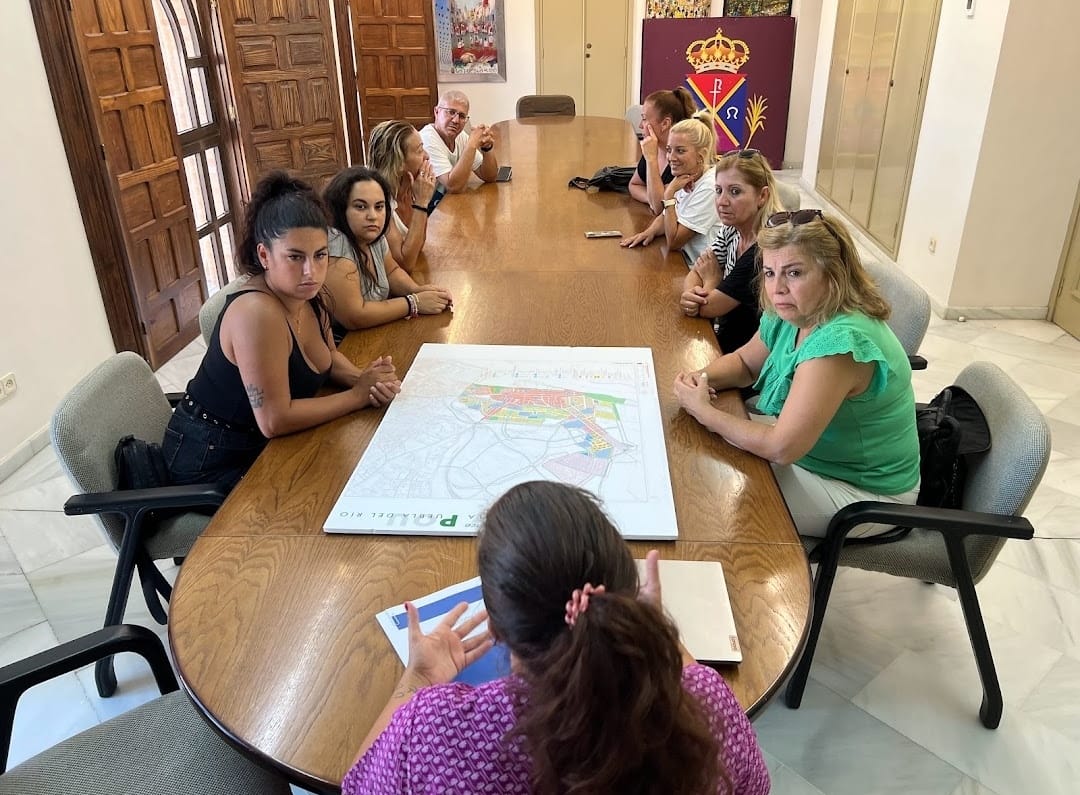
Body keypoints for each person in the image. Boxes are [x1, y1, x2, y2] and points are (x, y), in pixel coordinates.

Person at [343, 481, 770, 794]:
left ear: (496, 628)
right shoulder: (704, 704)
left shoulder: (432, 732)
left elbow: (357, 785)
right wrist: (651, 636)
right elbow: (753, 787)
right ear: (625, 602)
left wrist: (418, 678)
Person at [673, 210, 921, 538]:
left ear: (832, 274)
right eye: (769, 272)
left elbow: (781, 447)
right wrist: (699, 378)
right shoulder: (794, 309)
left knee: (716, 499)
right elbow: (745, 364)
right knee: (697, 455)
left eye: (794, 272)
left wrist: (705, 412)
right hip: (813, 456)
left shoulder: (840, 344)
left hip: (863, 493)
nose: (777, 288)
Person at [162, 172, 401, 492]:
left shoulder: (308, 295)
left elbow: (329, 358)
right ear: (264, 255)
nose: (311, 271)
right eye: (295, 257)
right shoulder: (256, 313)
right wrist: (356, 397)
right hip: (211, 459)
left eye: (320, 255)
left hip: (263, 447)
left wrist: (367, 381)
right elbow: (274, 420)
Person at [322, 166, 453, 341]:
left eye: (379, 207)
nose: (372, 216)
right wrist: (414, 303)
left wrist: (417, 290)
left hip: (375, 335)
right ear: (340, 209)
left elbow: (392, 272)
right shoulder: (336, 246)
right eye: (360, 207)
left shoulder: (373, 235)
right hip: (345, 345)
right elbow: (355, 316)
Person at [680, 148, 784, 354]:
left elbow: (709, 308)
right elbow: (697, 271)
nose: (722, 201)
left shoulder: (765, 248)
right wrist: (689, 294)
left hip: (749, 355)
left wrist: (711, 280)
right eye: (719, 190)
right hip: (728, 339)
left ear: (762, 196)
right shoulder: (732, 229)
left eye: (735, 192)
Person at [620, 114, 720, 267]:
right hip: (683, 262)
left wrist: (669, 194)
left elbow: (674, 241)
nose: (671, 157)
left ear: (702, 155)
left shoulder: (710, 187)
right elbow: (665, 216)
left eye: (680, 151)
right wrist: (648, 232)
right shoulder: (687, 174)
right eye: (669, 149)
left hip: (698, 270)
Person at [367, 120, 437, 273]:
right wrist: (422, 203)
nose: (426, 156)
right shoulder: (378, 200)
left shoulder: (412, 187)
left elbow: (419, 245)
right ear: (399, 163)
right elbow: (405, 264)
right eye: (419, 151)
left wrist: (422, 199)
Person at [629, 87, 696, 213]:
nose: (640, 125)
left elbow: (659, 207)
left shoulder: (682, 159)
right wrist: (650, 198)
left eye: (644, 118)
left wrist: (651, 159)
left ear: (665, 123)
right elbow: (634, 185)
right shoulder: (654, 147)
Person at [419, 89, 499, 193]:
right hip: (427, 203)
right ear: (437, 112)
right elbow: (453, 186)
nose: (456, 120)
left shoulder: (460, 136)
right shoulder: (427, 139)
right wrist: (471, 145)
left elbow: (489, 176)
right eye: (451, 112)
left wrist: (487, 148)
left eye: (462, 116)